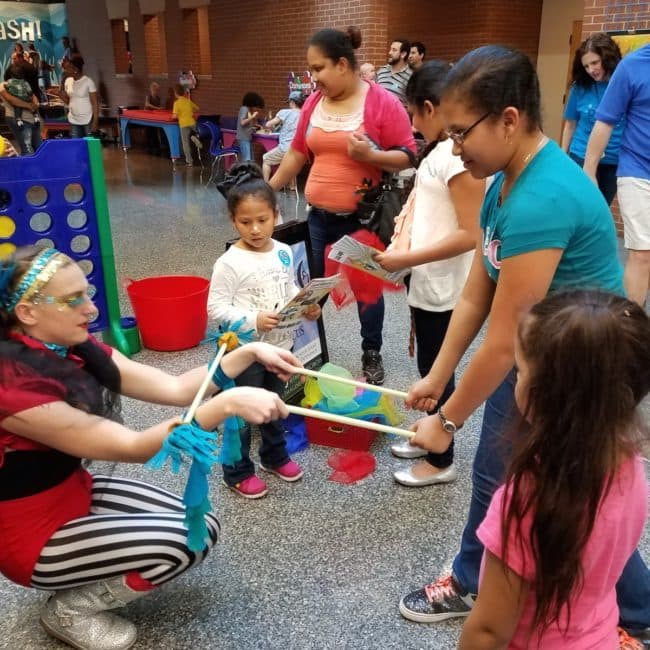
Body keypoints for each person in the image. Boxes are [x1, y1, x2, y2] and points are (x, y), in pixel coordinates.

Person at [396, 45, 649, 645]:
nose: (453, 146)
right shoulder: (503, 180)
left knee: (514, 479)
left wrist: (447, 424)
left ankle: (474, 581)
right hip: (544, 355)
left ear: (509, 120)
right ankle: (633, 608)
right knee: (566, 492)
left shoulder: (539, 199)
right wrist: (439, 377)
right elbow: (477, 298)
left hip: (572, 367)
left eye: (462, 132)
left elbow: (505, 342)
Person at [0, 245, 297, 650]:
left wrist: (247, 353)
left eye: (86, 293)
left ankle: (87, 562)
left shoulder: (67, 345)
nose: (90, 310)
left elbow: (174, 388)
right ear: (28, 313)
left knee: (196, 524)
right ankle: (69, 610)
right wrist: (226, 403)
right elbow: (135, 446)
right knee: (188, 540)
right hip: (27, 535)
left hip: (73, 491)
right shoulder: (13, 385)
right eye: (73, 300)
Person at [459, 290, 649, 649]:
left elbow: (487, 631)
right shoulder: (629, 464)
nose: (515, 379)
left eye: (520, 370)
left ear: (544, 395)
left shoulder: (527, 498)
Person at [268, 26, 416, 385]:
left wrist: (372, 155)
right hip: (318, 218)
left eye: (319, 69)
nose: (313, 77)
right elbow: (297, 153)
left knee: (367, 292)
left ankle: (371, 352)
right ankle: (307, 356)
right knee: (309, 290)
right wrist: (266, 192)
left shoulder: (382, 102)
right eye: (311, 69)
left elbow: (408, 155)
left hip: (361, 220)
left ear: (343, 65)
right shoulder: (315, 104)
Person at [374, 61, 486, 487]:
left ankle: (442, 460)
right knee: (429, 363)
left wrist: (408, 258)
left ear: (427, 108)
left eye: (411, 115)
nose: (412, 124)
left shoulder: (453, 157)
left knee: (440, 370)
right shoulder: (440, 153)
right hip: (429, 279)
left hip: (446, 286)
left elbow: (471, 233)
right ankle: (429, 436)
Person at [208, 163, 321, 499]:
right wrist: (253, 320)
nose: (255, 229)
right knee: (240, 416)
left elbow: (286, 291)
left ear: (276, 214)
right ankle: (236, 471)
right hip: (241, 352)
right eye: (245, 222)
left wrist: (305, 306)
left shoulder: (284, 252)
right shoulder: (229, 262)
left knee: (273, 405)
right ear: (233, 221)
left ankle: (274, 456)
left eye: (263, 220)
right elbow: (215, 309)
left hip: (278, 346)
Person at [584, 44, 650, 308]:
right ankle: (630, 331)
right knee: (642, 253)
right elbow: (605, 121)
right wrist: (589, 171)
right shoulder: (632, 66)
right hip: (638, 171)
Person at [561, 33, 623, 206]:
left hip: (614, 160)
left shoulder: (623, 84)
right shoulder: (580, 87)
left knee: (601, 208)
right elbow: (570, 124)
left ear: (607, 58)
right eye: (586, 66)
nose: (591, 70)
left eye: (595, 63)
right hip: (581, 155)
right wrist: (563, 155)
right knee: (578, 206)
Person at [261, 90, 304, 183]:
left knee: (266, 159)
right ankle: (292, 186)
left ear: (292, 102)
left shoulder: (285, 112)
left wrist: (268, 122)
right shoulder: (304, 114)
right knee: (290, 163)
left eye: (289, 102)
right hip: (298, 150)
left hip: (285, 148)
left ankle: (266, 185)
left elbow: (269, 124)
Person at [0, 66, 42, 155]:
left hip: (33, 120)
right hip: (19, 119)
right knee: (27, 148)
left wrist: (35, 105)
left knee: (39, 147)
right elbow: (12, 100)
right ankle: (29, 168)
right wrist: (30, 106)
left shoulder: (24, 84)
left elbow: (33, 97)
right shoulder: (3, 85)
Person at [61, 54, 98, 138]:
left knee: (89, 146)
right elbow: (67, 101)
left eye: (69, 68)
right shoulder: (68, 81)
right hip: (73, 119)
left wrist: (95, 121)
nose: (66, 71)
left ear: (75, 69)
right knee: (77, 145)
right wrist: (62, 82)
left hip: (87, 119)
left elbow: (95, 103)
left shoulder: (88, 81)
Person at [376, 38, 413, 106]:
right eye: (390, 49)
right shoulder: (381, 71)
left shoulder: (411, 77)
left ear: (403, 54)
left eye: (394, 50)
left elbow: (412, 106)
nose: (390, 52)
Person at [172, 83, 199, 166]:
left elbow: (175, 116)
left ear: (175, 93)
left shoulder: (176, 103)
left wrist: (173, 115)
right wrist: (191, 112)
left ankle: (189, 161)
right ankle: (196, 137)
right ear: (183, 92)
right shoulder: (188, 101)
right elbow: (197, 108)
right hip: (192, 122)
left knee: (185, 143)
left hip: (183, 124)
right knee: (199, 133)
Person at [237, 91, 265, 162]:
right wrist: (252, 117)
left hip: (247, 137)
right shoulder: (244, 108)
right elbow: (242, 122)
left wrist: (255, 126)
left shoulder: (248, 110)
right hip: (243, 137)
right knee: (247, 160)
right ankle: (246, 173)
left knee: (251, 159)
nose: (255, 108)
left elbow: (247, 124)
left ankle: (250, 172)